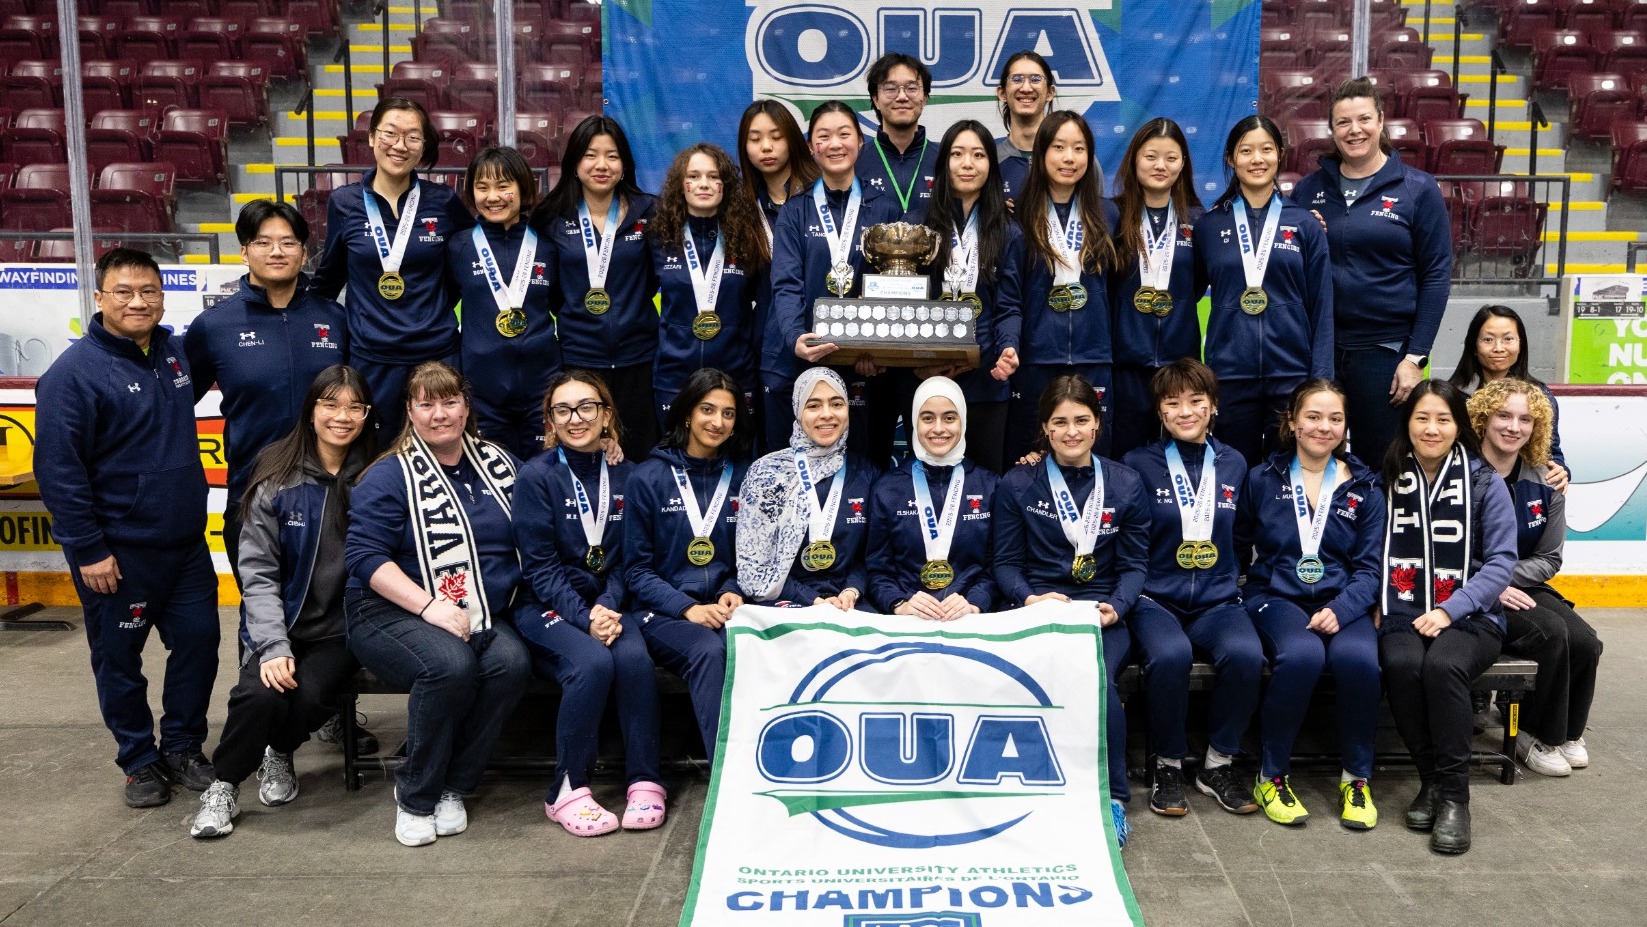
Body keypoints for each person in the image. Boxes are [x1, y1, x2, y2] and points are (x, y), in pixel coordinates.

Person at [35, 248, 218, 807]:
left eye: (150, 292)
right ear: (100, 298)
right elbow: (59, 472)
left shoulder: (175, 354)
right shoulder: (72, 376)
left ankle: (184, 746)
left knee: (200, 647)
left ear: (163, 296)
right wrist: (89, 549)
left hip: (186, 547)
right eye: (124, 292)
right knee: (119, 660)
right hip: (117, 554)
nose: (139, 302)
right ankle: (140, 760)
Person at [344, 361, 531, 847]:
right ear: (410, 411)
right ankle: (416, 795)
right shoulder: (389, 474)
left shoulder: (497, 462)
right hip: (386, 611)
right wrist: (429, 607)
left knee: (510, 662)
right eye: (426, 404)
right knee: (449, 665)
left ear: (467, 406)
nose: (439, 414)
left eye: (450, 402)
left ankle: (454, 785)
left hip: (477, 611)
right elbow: (364, 558)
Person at [190, 366, 378, 838]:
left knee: (312, 696)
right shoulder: (277, 473)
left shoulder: (379, 473)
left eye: (355, 406)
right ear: (311, 410)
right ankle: (224, 785)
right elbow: (257, 572)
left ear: (367, 414)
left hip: (343, 628)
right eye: (330, 404)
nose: (343, 416)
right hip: (284, 624)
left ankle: (278, 750)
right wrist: (273, 644)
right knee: (258, 693)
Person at [992, 375, 1148, 848]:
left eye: (1081, 420)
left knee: (1098, 683)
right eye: (1059, 422)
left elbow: (1137, 565)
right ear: (1044, 428)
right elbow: (1005, 562)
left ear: (1097, 425)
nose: (1071, 431)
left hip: (1100, 609)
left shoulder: (1125, 483)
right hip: (1038, 606)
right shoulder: (1018, 482)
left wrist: (1116, 608)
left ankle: (1114, 799)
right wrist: (1028, 599)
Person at [511, 371, 665, 835]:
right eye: (563, 410)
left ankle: (644, 780)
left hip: (611, 605)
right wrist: (586, 616)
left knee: (634, 659)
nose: (575, 418)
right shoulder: (535, 477)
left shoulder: (628, 473)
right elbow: (539, 569)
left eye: (586, 407)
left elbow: (631, 558)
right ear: (551, 420)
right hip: (545, 605)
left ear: (606, 414)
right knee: (593, 664)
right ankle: (565, 789)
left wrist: (609, 605)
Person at [1237, 380, 1386, 829]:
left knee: (1361, 661)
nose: (1324, 427)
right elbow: (1238, 544)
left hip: (1342, 603)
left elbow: (1370, 570)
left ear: (1345, 427)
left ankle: (1356, 779)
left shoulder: (1366, 488)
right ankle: (1272, 776)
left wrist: (1343, 608)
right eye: (1314, 417)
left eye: (1334, 418)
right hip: (1276, 597)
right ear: (1293, 421)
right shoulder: (1262, 478)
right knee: (1300, 656)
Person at [1120, 358, 1265, 819]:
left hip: (1217, 598)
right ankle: (1167, 763)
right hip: (1154, 597)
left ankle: (1218, 763)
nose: (1185, 411)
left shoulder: (1235, 463)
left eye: (1196, 401)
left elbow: (1240, 533)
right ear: (1160, 412)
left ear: (1213, 406)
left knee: (1247, 655)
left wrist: (1228, 578)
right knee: (1169, 656)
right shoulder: (1137, 464)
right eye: (1172, 402)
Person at [1378, 379, 1516, 855]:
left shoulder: (1484, 481)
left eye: (1443, 419)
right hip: (1402, 607)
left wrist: (1449, 608)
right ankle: (1431, 780)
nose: (1432, 428)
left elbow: (1501, 562)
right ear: (1407, 423)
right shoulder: (1387, 474)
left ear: (1459, 425)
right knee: (1401, 664)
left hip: (1472, 615)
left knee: (1442, 666)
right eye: (1422, 418)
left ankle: (1456, 799)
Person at [1292, 77, 1453, 463]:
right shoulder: (1306, 191)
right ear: (1332, 130)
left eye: (1364, 119)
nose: (1354, 130)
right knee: (1314, 460)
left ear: (1381, 121)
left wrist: (1415, 358)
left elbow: (1436, 275)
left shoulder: (1418, 189)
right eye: (1343, 122)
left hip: (1384, 353)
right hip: (1320, 350)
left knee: (1380, 465)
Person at [184, 200, 348, 573]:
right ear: (244, 251)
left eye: (288, 243)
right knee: (259, 614)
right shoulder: (213, 326)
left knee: (329, 615)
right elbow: (175, 404)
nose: (277, 251)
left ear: (304, 253)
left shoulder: (336, 319)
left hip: (331, 492)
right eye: (263, 242)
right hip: (252, 491)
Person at [313, 98, 472, 436]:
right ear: (371, 137)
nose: (400, 146)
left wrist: (434, 304)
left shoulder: (443, 201)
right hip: (372, 360)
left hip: (437, 357)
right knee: (376, 462)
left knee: (441, 456)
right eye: (390, 133)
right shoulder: (345, 202)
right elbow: (328, 280)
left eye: (413, 137)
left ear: (424, 145)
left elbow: (466, 269)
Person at [1466, 378, 1600, 777]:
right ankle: (1534, 732)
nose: (1513, 427)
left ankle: (1568, 733)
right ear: (1482, 420)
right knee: (1549, 634)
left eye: (1525, 419)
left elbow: (1549, 558)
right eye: (1503, 416)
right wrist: (1490, 583)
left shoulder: (1547, 480)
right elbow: (1445, 552)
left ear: (1537, 426)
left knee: (1585, 640)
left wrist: (1505, 577)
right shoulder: (1461, 476)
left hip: (1523, 583)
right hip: (1469, 588)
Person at [1194, 115, 1334, 468]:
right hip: (1229, 375)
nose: (1257, 159)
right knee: (1232, 475)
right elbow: (1186, 295)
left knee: (1287, 477)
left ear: (1280, 154)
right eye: (1246, 151)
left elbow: (1322, 306)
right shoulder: (1209, 227)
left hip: (1291, 374)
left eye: (1266, 149)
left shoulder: (1304, 224)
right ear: (1230, 158)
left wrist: (1320, 380)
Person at [768, 101, 903, 462]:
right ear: (811, 147)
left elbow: (893, 286)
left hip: (864, 364)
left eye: (845, 134)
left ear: (861, 142)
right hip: (806, 355)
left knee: (865, 462)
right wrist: (795, 336)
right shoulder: (795, 211)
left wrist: (876, 348)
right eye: (823, 137)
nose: (835, 144)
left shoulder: (884, 209)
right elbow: (786, 283)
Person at [628, 369, 750, 761]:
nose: (717, 422)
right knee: (708, 651)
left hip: (727, 609)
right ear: (686, 414)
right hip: (664, 612)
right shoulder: (647, 478)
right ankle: (726, 773)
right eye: (707, 410)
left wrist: (733, 589)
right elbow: (636, 571)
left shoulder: (744, 477)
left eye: (728, 414)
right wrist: (688, 608)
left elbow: (750, 556)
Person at [531, 115, 661, 461]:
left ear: (624, 164)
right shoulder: (551, 217)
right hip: (579, 359)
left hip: (640, 359)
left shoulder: (649, 212)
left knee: (639, 457)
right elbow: (550, 289)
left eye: (612, 155)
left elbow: (655, 278)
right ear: (574, 163)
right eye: (590, 155)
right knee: (587, 458)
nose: (601, 165)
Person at [1008, 111, 1121, 462]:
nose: (1069, 158)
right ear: (1041, 153)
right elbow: (1012, 293)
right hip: (1036, 359)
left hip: (1094, 357)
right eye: (1058, 147)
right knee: (1031, 460)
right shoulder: (1018, 215)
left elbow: (1117, 290)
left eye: (1079, 148)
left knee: (1093, 457)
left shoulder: (1109, 215)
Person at [918, 119, 1024, 473]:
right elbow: (907, 301)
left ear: (991, 166)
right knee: (930, 477)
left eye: (978, 155)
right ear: (943, 163)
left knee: (987, 478)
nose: (967, 163)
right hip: (930, 376)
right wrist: (920, 364)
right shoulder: (919, 226)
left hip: (987, 377)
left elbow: (1009, 305)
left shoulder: (1008, 231)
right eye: (958, 154)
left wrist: (1008, 350)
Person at [448, 146, 559, 461]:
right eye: (482, 187)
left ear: (523, 189)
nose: (492, 196)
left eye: (503, 186)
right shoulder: (459, 247)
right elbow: (442, 306)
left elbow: (563, 305)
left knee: (544, 479)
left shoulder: (547, 246)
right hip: (483, 398)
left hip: (543, 393)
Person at [737, 368, 876, 608]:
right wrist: (813, 600)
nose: (827, 414)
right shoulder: (767, 473)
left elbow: (870, 557)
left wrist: (852, 591)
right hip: (783, 598)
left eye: (836, 404)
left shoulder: (866, 474)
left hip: (848, 602)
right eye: (813, 406)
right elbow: (756, 567)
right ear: (798, 412)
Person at [650, 143, 767, 426]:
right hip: (674, 375)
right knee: (675, 458)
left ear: (724, 185)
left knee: (735, 461)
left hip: (735, 374)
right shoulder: (660, 239)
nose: (704, 184)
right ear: (681, 184)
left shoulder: (745, 238)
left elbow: (761, 303)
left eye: (714, 177)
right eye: (694, 176)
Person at [1109, 118, 1204, 459]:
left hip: (1180, 369)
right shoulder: (1112, 215)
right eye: (1151, 156)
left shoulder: (1198, 220)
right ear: (1134, 159)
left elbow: (1198, 283)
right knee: (1125, 460)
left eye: (1171, 157)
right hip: (1124, 366)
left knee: (1179, 462)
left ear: (1183, 164)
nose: (1160, 166)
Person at [868, 377, 999, 615]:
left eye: (949, 418)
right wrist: (899, 604)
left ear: (963, 421)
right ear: (914, 423)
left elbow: (996, 564)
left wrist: (975, 602)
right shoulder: (887, 489)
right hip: (909, 618)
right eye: (927, 418)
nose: (938, 428)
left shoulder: (989, 485)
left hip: (968, 618)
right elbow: (878, 570)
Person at [739, 99, 819, 454]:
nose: (766, 147)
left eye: (776, 136)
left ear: (793, 140)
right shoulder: (740, 206)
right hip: (770, 348)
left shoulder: (822, 194)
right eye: (755, 139)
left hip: (826, 337)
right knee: (778, 452)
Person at [1447, 305, 1570, 491]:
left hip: (1522, 492)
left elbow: (1551, 451)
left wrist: (1561, 470)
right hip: (1465, 489)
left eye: (1508, 339)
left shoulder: (1539, 395)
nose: (1498, 348)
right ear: (1474, 346)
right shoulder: (1454, 395)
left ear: (1520, 345)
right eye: (1488, 339)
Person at [855, 52, 941, 222]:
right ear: (876, 100)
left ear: (924, 99)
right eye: (890, 89)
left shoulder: (945, 160)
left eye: (911, 88)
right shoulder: (855, 161)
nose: (902, 97)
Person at [994, 50, 1058, 207]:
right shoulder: (989, 161)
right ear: (1002, 93)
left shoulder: (1074, 159)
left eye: (1035, 79)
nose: (1026, 88)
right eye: (1017, 79)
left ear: (1050, 92)